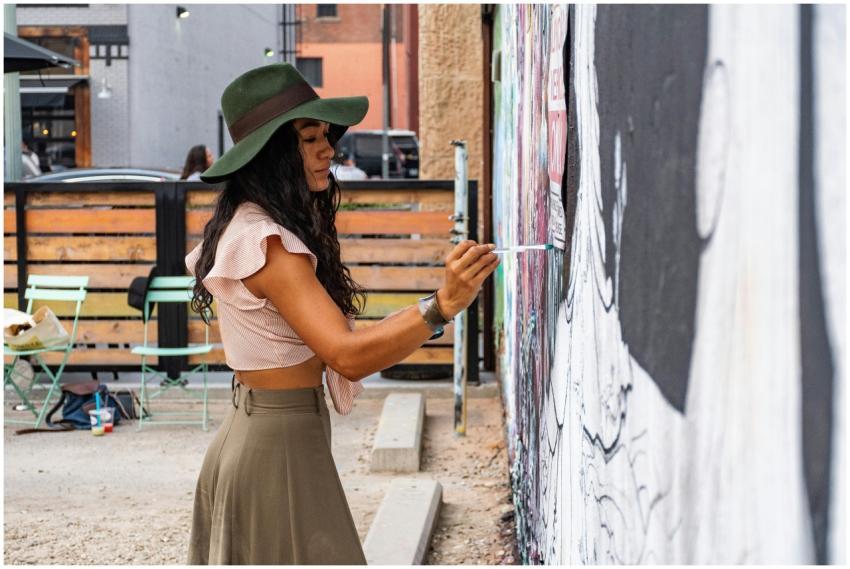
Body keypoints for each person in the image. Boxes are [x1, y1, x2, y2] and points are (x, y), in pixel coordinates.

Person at [184, 63, 499, 565]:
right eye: (311, 138)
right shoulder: (268, 244)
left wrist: (439, 305)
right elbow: (347, 356)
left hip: (267, 436)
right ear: (273, 153)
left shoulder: (247, 224)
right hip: (275, 447)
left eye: (326, 136)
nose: (328, 150)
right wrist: (442, 306)